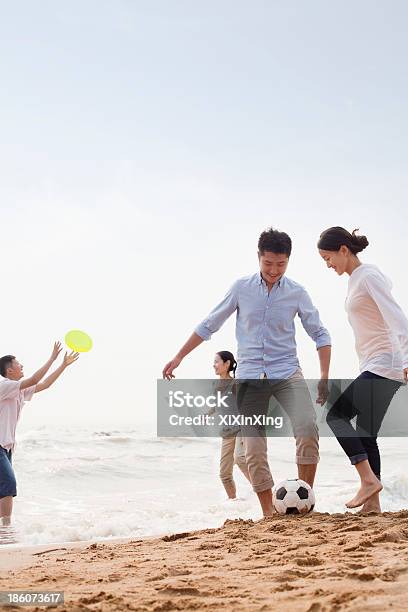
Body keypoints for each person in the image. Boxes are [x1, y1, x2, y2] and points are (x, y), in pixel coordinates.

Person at [163, 227, 331, 517]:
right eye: (268, 264)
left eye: (281, 264)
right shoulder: (241, 288)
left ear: (288, 261)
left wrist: (324, 377)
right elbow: (209, 324)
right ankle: (269, 513)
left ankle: (304, 503)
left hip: (287, 372)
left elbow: (320, 334)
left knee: (306, 428)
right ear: (258, 257)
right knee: (253, 447)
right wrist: (179, 356)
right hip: (251, 377)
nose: (274, 270)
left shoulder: (297, 293)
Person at [318, 227, 408, 512]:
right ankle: (373, 506)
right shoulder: (356, 280)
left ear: (344, 249)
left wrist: (407, 359)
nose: (328, 265)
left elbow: (396, 316)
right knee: (367, 433)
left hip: (386, 362)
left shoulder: (368, 275)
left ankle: (368, 481)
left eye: (328, 257)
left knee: (337, 415)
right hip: (376, 362)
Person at [0, 342, 79, 526]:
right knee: (9, 486)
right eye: (18, 364)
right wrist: (52, 358)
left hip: (7, 447)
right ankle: (6, 530)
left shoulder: (18, 389)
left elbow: (45, 384)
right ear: (9, 371)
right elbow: (35, 379)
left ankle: (4, 530)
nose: (22, 366)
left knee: (5, 490)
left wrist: (63, 365)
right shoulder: (5, 386)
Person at [210, 351, 250, 500]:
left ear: (227, 364)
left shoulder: (235, 384)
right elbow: (216, 405)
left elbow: (245, 407)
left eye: (216, 362)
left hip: (240, 429)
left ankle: (262, 492)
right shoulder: (216, 385)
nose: (213, 365)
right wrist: (206, 415)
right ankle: (234, 504)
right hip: (226, 432)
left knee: (240, 459)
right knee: (224, 474)